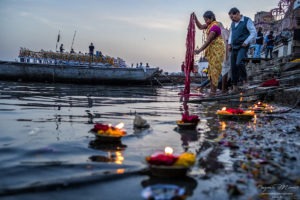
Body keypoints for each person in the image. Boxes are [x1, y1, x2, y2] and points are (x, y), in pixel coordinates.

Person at [193, 11, 225, 96]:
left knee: (215, 71)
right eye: (204, 20)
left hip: (217, 51)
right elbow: (200, 27)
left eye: (206, 19)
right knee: (211, 71)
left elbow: (208, 41)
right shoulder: (209, 25)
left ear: (211, 18)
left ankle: (213, 92)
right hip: (213, 52)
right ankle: (212, 91)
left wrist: (199, 50)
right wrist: (195, 18)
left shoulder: (214, 27)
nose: (205, 21)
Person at [228, 7, 256, 93]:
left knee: (239, 62)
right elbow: (231, 34)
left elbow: (253, 32)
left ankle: (245, 80)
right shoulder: (233, 24)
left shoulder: (247, 20)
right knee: (233, 66)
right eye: (231, 17)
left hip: (243, 46)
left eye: (233, 17)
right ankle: (234, 86)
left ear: (238, 13)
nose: (232, 19)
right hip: (234, 47)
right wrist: (229, 43)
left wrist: (246, 42)